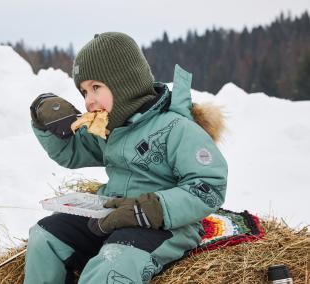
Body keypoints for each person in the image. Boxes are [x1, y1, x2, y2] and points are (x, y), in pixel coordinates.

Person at [25, 32, 228, 284]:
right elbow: (73, 151)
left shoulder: (176, 128)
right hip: (111, 215)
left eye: (96, 87)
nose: (88, 101)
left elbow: (209, 186)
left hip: (164, 225)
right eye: (84, 91)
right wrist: (47, 123)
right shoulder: (109, 128)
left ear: (124, 83)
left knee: (111, 266)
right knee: (45, 238)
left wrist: (151, 208)